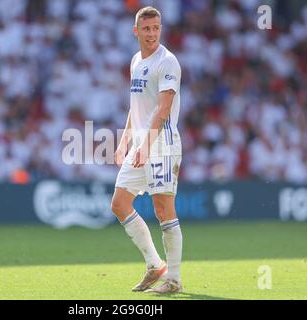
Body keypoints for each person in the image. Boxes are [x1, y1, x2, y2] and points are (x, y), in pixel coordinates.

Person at [111, 6, 183, 294]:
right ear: (136, 31)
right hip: (142, 143)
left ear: (160, 29)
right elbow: (136, 104)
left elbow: (163, 109)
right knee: (119, 203)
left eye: (156, 28)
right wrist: (125, 139)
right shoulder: (135, 61)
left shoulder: (168, 62)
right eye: (146, 29)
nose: (152, 34)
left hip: (161, 143)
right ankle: (155, 265)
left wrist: (146, 145)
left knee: (163, 209)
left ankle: (174, 280)